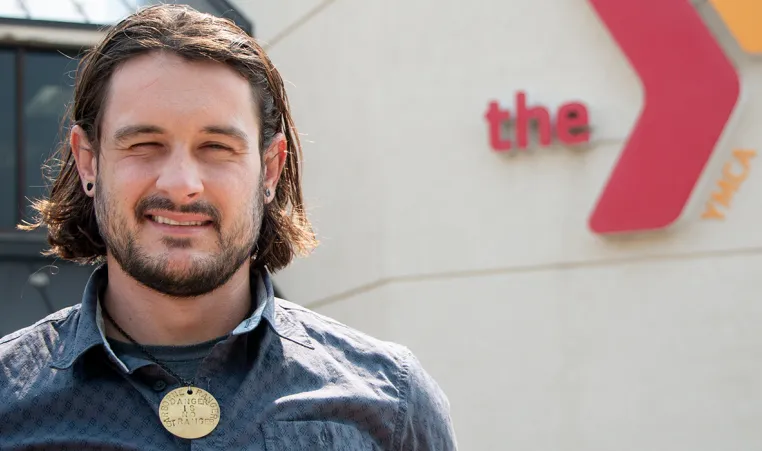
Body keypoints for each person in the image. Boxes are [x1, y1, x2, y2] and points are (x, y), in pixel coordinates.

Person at [0, 5, 457, 450]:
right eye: (145, 143)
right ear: (88, 161)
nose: (181, 184)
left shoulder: (392, 404)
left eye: (217, 147)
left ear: (271, 170)